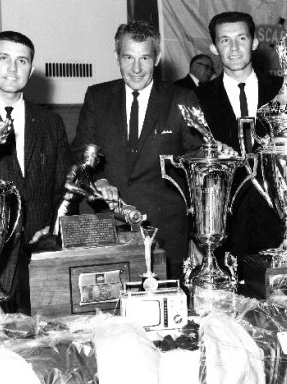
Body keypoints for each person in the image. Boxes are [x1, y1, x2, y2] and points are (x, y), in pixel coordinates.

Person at [71, 21, 234, 280]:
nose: (136, 69)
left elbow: (197, 156)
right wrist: (99, 180)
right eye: (128, 57)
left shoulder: (182, 99)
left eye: (144, 58)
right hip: (108, 225)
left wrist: (213, 153)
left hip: (166, 229)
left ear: (157, 58)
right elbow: (81, 150)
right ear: (117, 57)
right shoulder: (97, 96)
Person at [196, 11, 287, 278]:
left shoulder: (282, 89)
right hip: (226, 227)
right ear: (213, 47)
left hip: (280, 220)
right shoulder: (199, 97)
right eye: (225, 40)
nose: (234, 47)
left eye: (241, 38)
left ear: (254, 43)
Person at [0, 31, 70, 313]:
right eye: (3, 58)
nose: (12, 68)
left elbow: (64, 189)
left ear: (31, 70)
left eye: (22, 61)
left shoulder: (50, 122)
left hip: (37, 258)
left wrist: (52, 229)